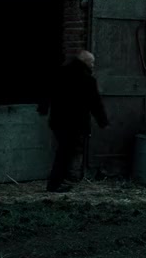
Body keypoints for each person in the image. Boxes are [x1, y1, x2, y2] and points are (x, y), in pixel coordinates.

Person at [38, 50, 109, 193]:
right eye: (92, 62)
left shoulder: (60, 73)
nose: (93, 65)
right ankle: (54, 184)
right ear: (85, 62)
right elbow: (95, 104)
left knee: (64, 151)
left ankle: (59, 181)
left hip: (58, 121)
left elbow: (47, 91)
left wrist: (43, 108)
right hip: (75, 123)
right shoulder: (88, 80)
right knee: (65, 153)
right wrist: (103, 122)